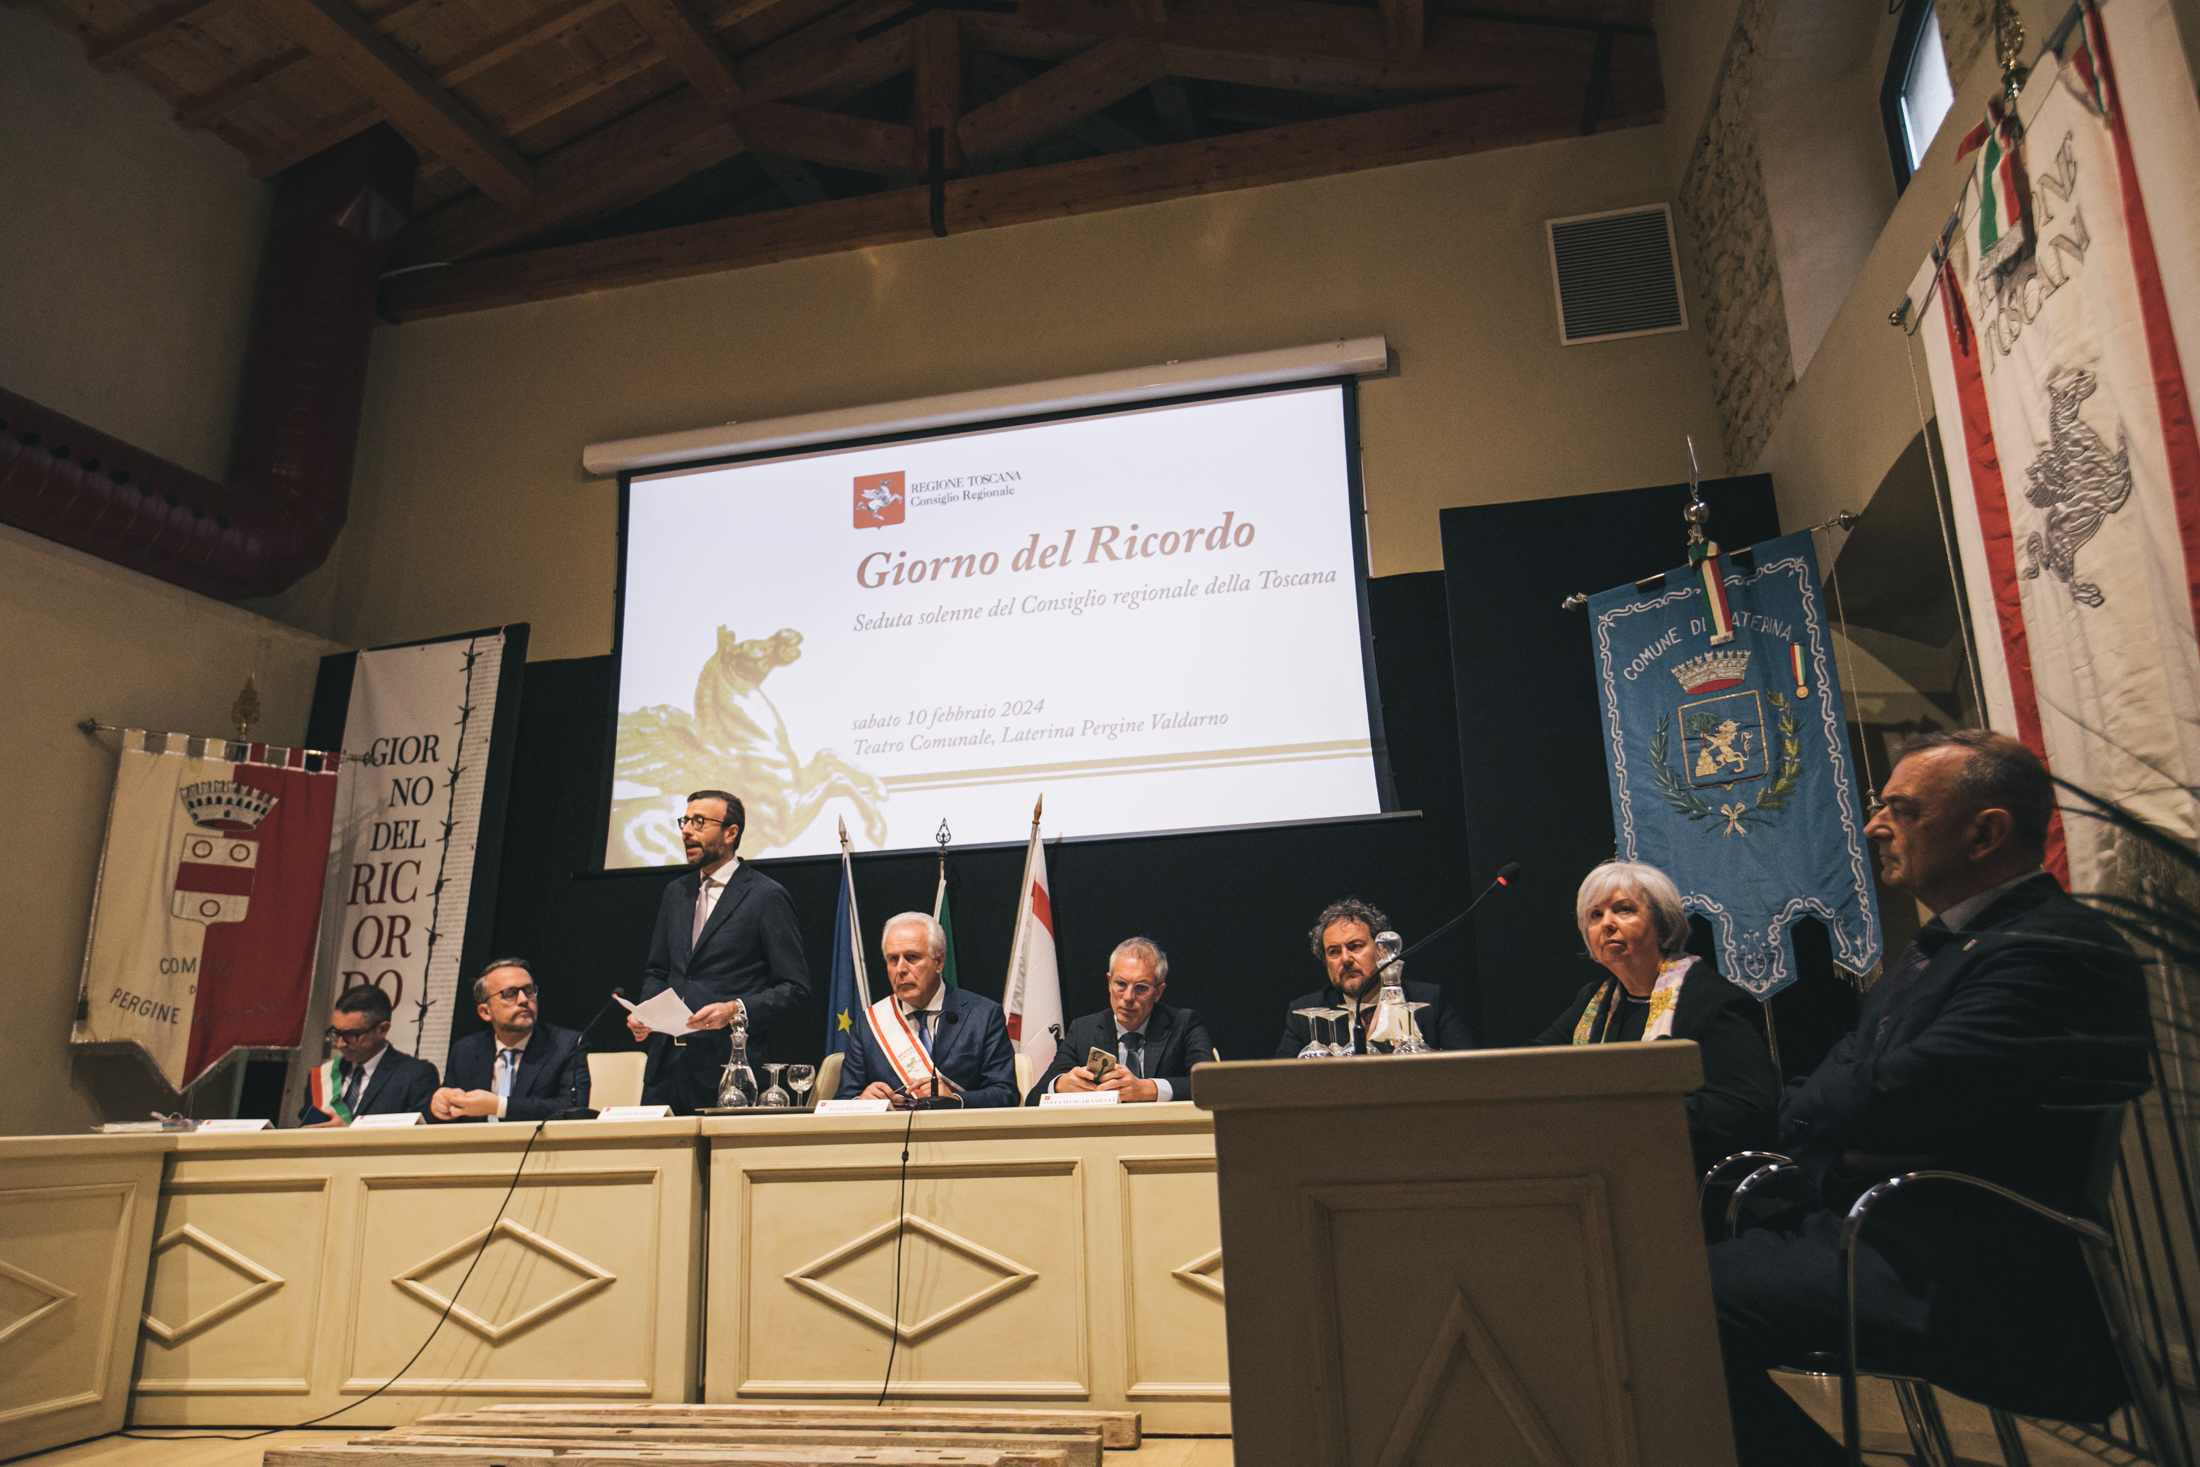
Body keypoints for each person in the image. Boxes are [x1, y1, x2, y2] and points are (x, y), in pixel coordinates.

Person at [1708, 730, 2151, 1465]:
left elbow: (1895, 1097)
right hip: (1879, 1228)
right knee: (1652, 1281)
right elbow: (1845, 1083)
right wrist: (1846, 1130)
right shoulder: (1944, 947)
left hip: (1960, 1268)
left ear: (1986, 832)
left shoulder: (2054, 948)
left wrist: (1841, 1121)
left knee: (1666, 1304)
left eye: (1901, 809)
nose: (1874, 826)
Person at [1531, 860, 1778, 1174]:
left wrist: (1632, 1117)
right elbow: (1534, 1066)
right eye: (1595, 915)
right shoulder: (1593, 1001)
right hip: (1610, 1170)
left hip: (1697, 1177)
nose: (1606, 924)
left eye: (1623, 910)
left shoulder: (1711, 1000)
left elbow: (1748, 1105)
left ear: (1662, 926)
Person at [633, 789, 810, 1114]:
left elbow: (794, 988)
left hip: (729, 1070)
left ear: (731, 833)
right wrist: (646, 1012)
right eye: (685, 821)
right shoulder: (675, 893)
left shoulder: (765, 896)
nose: (687, 831)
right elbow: (657, 971)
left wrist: (735, 1009)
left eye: (699, 822)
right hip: (666, 1071)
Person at [837, 912, 1018, 1109]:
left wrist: (955, 1100)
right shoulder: (868, 1023)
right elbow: (843, 1099)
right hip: (892, 1127)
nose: (900, 969)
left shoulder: (983, 1015)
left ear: (939, 962)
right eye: (892, 959)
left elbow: (1006, 1094)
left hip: (959, 1127)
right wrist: (862, 1102)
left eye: (912, 957)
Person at [1275, 898, 1473, 1056]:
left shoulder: (1429, 1000)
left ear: (1381, 951)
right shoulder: (1303, 1013)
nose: (1345, 959)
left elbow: (1468, 1069)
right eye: (1334, 951)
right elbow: (1281, 1082)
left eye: (1355, 946)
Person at [1028, 937, 1213, 1103]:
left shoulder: (1184, 1024)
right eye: (1121, 984)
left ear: (1158, 992)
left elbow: (1211, 1085)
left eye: (1141, 987)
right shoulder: (1083, 1030)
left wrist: (1146, 1089)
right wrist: (1060, 1085)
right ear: (1109, 983)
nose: (1128, 997)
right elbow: (1033, 1098)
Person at [428, 958, 590, 1122]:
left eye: (529, 991)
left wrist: (499, 1106)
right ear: (485, 1012)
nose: (523, 1000)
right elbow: (446, 1119)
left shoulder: (566, 1044)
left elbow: (573, 1108)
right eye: (510, 993)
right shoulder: (466, 1050)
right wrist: (440, 1106)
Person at [297, 984, 439, 1126]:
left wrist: (346, 1134)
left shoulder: (415, 1075)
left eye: (351, 1035)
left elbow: (420, 1136)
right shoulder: (323, 1076)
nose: (340, 1044)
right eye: (337, 1033)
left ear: (382, 1029)